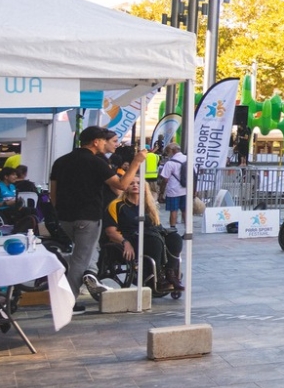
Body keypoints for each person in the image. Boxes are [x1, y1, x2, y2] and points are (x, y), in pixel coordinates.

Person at [49, 127, 138, 303]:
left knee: (87, 250)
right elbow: (121, 185)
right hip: (88, 217)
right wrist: (136, 163)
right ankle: (68, 303)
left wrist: (60, 211)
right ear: (96, 142)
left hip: (64, 217)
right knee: (80, 260)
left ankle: (90, 273)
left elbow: (53, 194)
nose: (106, 143)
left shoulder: (60, 161)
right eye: (104, 140)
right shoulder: (97, 163)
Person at [105, 178, 181, 295]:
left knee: (174, 237)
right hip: (129, 237)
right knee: (154, 241)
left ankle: (171, 273)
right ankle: (156, 278)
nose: (135, 185)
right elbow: (110, 231)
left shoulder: (149, 205)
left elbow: (157, 226)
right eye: (131, 183)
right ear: (125, 186)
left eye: (139, 183)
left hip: (151, 235)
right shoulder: (117, 205)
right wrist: (125, 242)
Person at [158, 144, 190, 231]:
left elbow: (165, 179)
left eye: (168, 151)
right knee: (185, 210)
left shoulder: (170, 163)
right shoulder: (188, 159)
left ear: (173, 151)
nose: (168, 153)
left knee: (173, 210)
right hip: (186, 189)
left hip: (173, 190)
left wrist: (161, 192)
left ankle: (173, 230)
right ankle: (188, 230)